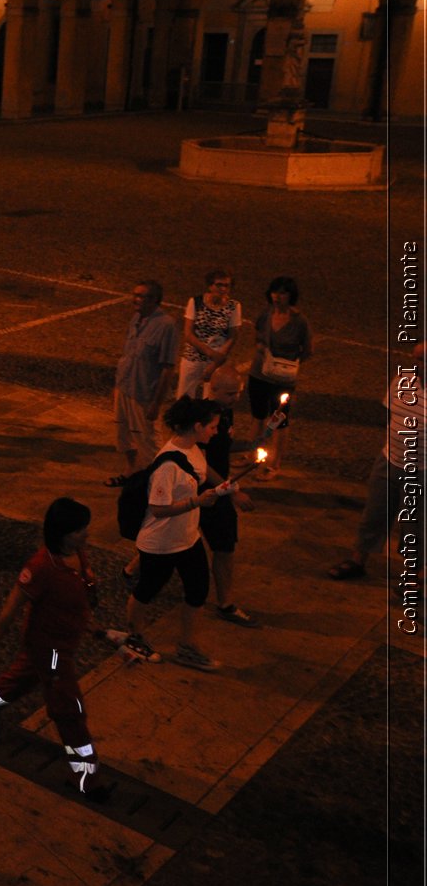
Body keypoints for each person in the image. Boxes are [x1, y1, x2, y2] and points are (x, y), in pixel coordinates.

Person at [0, 498, 113, 802]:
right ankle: (86, 775)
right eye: (79, 530)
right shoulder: (41, 567)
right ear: (61, 533)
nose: (86, 535)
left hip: (61, 644)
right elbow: (12, 607)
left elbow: (82, 600)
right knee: (69, 710)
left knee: (20, 678)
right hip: (53, 650)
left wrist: (96, 627)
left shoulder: (78, 557)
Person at [123, 395, 239, 673]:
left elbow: (202, 473)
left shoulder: (194, 449)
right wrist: (197, 502)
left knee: (198, 591)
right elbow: (158, 509)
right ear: (197, 426)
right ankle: (134, 637)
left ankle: (187, 646)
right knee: (146, 591)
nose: (216, 430)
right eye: (212, 426)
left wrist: (226, 490)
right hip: (161, 543)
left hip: (188, 538)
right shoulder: (168, 465)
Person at [329, 342, 422, 581]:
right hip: (389, 459)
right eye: (416, 358)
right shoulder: (402, 382)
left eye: (422, 360)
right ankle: (358, 560)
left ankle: (414, 575)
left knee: (415, 525)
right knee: (375, 512)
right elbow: (389, 415)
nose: (416, 365)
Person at [197, 365, 260, 627]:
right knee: (224, 548)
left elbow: (223, 446)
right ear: (214, 389)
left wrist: (250, 444)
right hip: (208, 492)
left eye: (239, 393)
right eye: (231, 393)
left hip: (215, 489)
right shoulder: (203, 417)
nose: (236, 398)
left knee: (170, 533)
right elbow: (201, 464)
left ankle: (132, 569)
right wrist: (232, 491)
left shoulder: (224, 413)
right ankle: (225, 603)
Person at [108, 280, 179, 485]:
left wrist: (156, 403)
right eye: (135, 295)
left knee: (149, 442)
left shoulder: (166, 325)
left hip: (144, 393)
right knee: (124, 435)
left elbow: (167, 367)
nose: (136, 300)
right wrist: (117, 387)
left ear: (155, 300)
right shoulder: (136, 319)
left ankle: (156, 483)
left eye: (142, 296)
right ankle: (132, 470)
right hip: (125, 387)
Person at [247, 275, 314, 479]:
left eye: (283, 292)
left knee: (278, 421)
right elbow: (258, 335)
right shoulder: (265, 314)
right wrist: (260, 348)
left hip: (283, 380)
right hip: (259, 374)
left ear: (291, 296)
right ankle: (252, 456)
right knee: (258, 417)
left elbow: (307, 350)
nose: (277, 297)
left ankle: (274, 464)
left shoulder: (299, 321)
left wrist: (288, 364)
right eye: (275, 292)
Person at [177, 270, 241, 398]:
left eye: (226, 286)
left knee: (211, 401)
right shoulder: (195, 302)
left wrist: (214, 364)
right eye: (219, 285)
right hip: (193, 357)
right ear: (210, 286)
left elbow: (232, 337)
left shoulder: (234, 306)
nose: (223, 289)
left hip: (216, 361)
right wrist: (210, 353)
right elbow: (188, 334)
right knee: (183, 399)